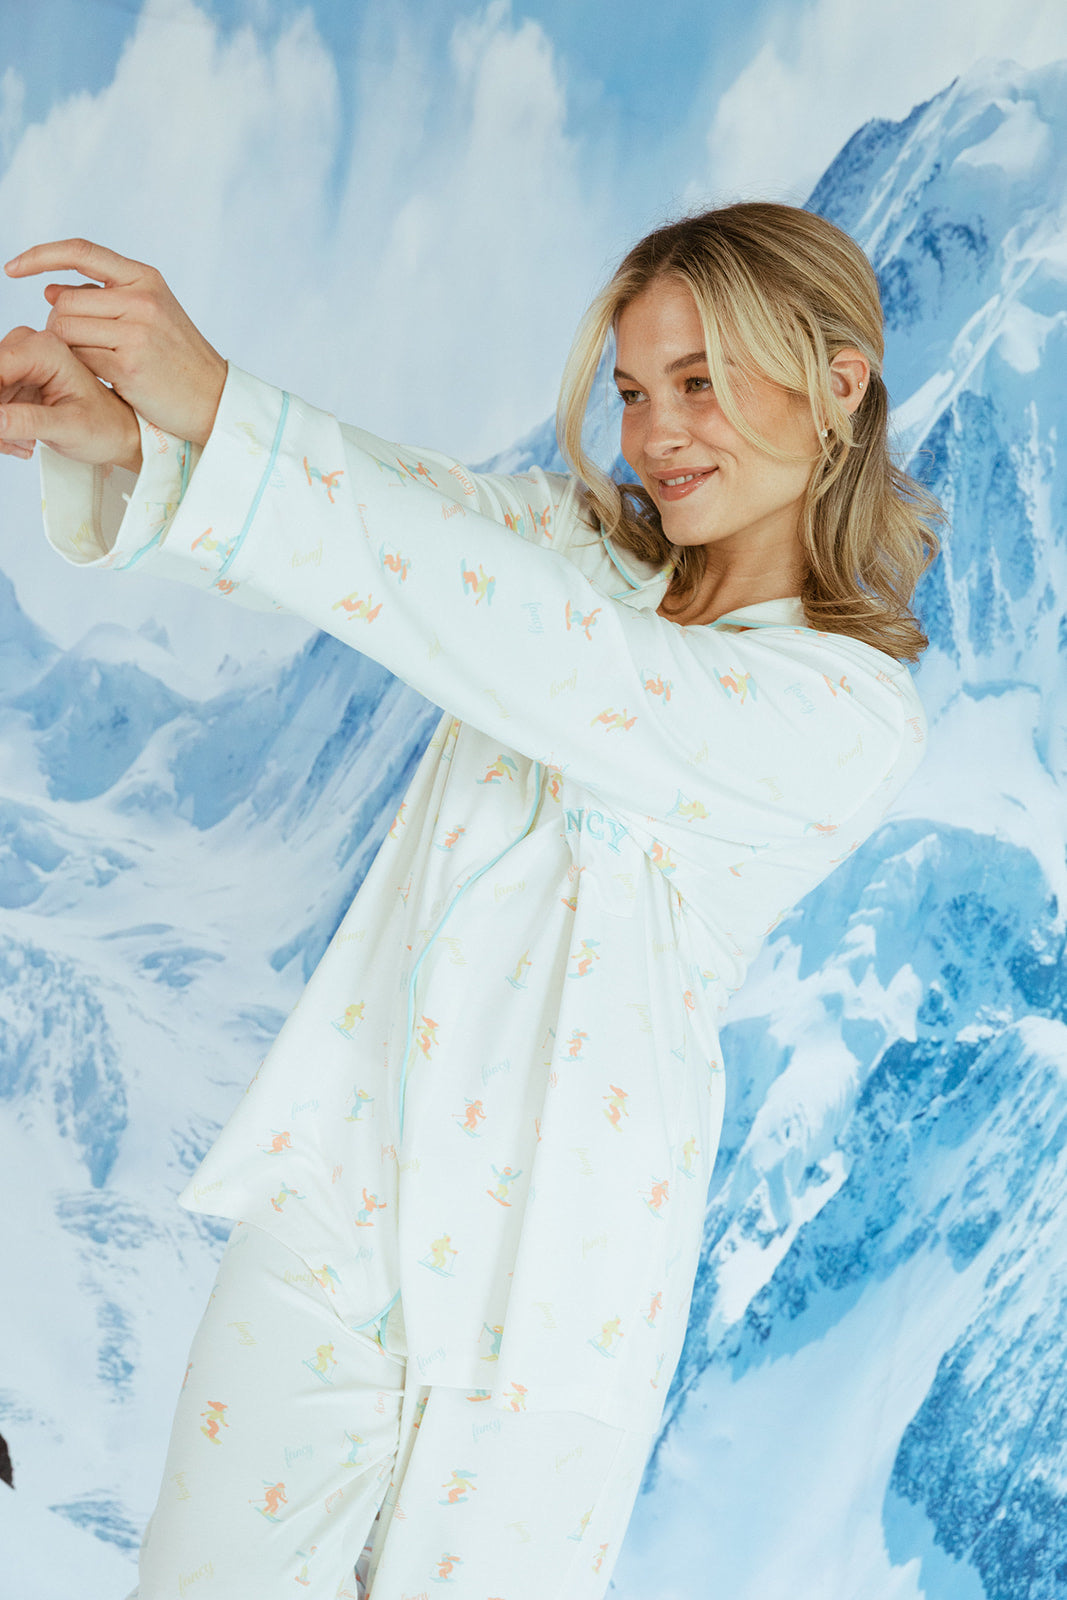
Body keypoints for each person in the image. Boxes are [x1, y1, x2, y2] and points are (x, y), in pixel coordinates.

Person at [0, 202, 941, 1600]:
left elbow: (546, 649)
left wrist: (218, 401)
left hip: (555, 1318)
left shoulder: (847, 714)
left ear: (840, 383)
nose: (657, 433)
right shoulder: (571, 546)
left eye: (699, 382)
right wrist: (134, 442)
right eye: (634, 391)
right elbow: (392, 529)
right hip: (336, 1225)